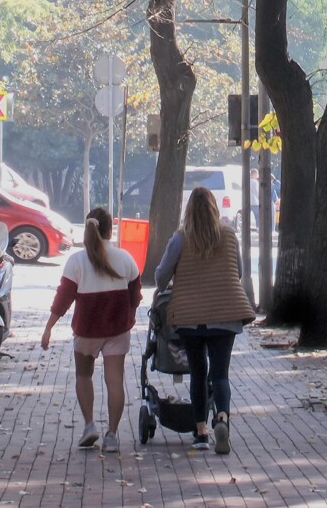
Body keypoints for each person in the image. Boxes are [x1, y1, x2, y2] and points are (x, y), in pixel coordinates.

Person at [155, 186, 255, 454]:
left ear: (189, 210)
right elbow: (240, 271)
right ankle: (222, 417)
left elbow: (162, 274)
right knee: (220, 374)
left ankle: (201, 433)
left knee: (198, 373)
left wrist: (164, 286)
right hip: (226, 312)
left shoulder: (180, 238)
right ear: (214, 208)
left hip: (190, 317)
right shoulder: (229, 235)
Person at [41, 207, 142, 453]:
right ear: (110, 230)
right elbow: (135, 296)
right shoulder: (126, 259)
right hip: (117, 330)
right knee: (115, 381)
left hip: (86, 331)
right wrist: (130, 316)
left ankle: (89, 426)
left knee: (83, 376)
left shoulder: (76, 262)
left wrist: (48, 329)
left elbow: (63, 299)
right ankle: (112, 436)